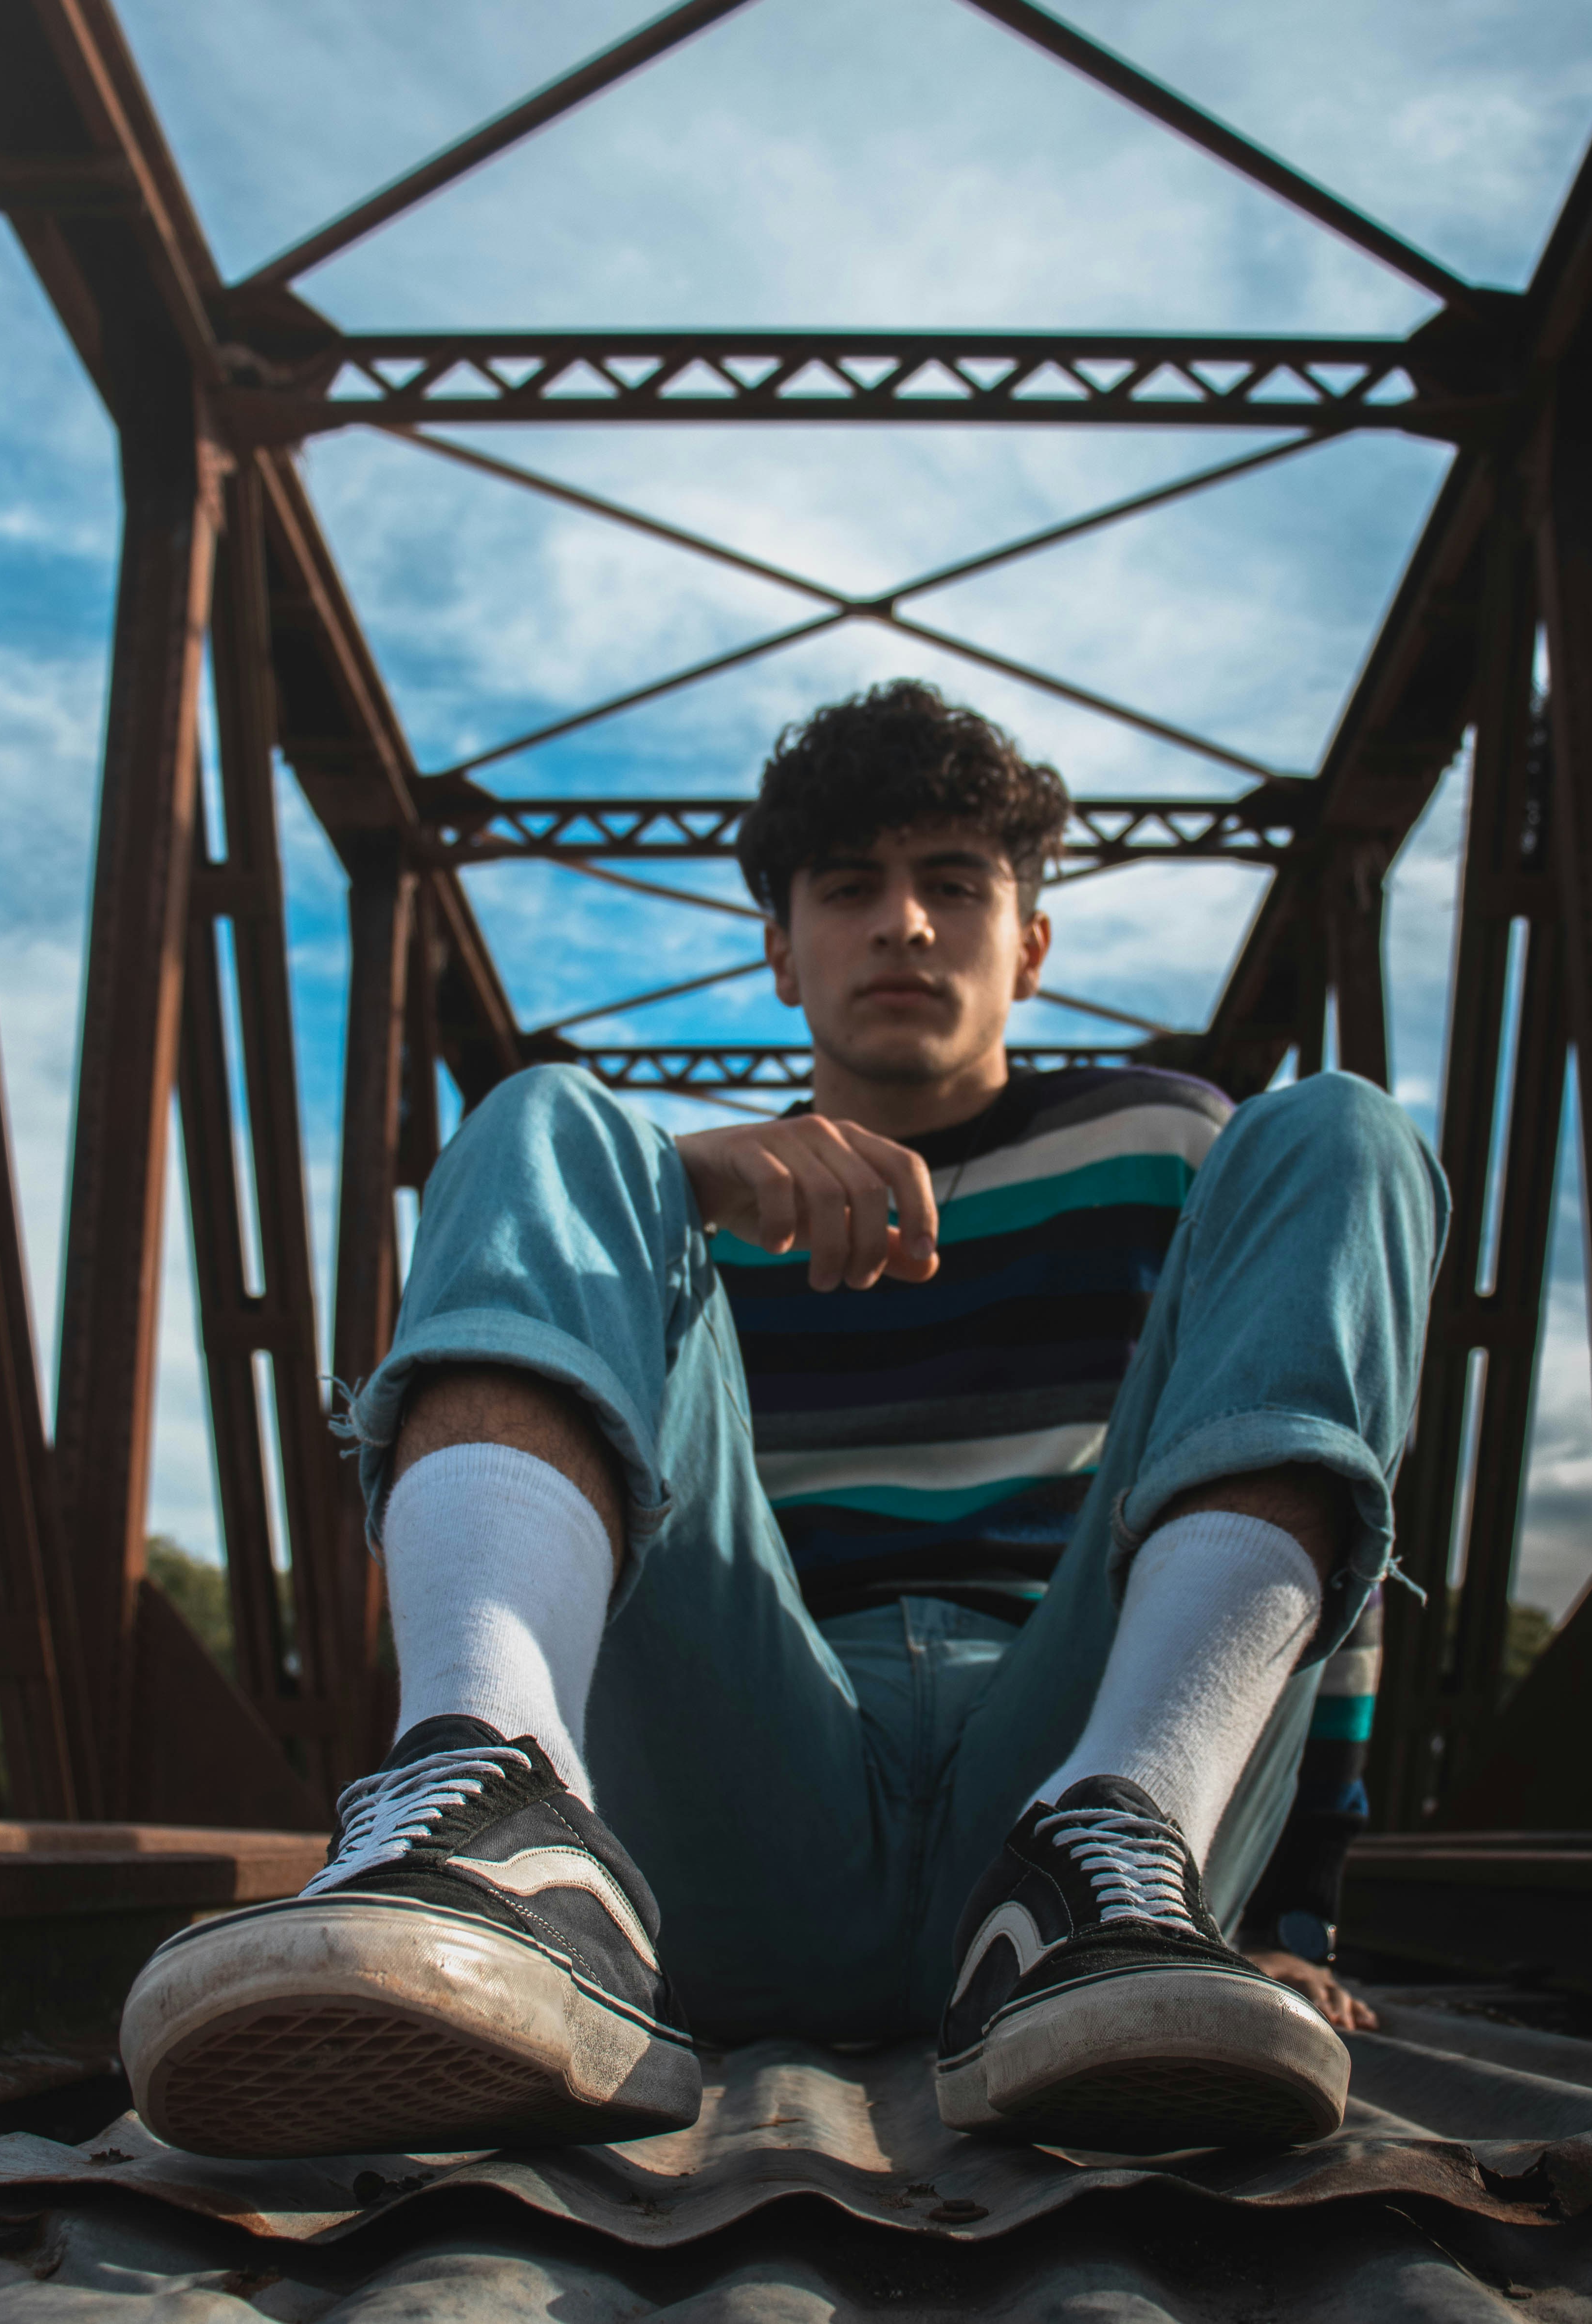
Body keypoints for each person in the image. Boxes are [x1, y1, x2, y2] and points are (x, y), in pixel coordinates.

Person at [120, 680, 1444, 2163]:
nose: (903, 925)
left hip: (1079, 1760)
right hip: (749, 1800)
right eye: (849, 889)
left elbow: (1318, 1507)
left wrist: (1295, 1908)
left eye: (955, 885)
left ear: (1032, 945)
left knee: (1342, 1133)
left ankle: (1121, 1864)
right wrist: (668, 1191)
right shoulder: (691, 1194)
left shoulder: (1171, 1148)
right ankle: (501, 1824)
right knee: (552, 1120)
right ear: (780, 948)